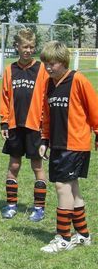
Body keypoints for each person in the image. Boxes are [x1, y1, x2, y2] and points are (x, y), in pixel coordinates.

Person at [38, 41, 98, 253]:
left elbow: (94, 109)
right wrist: (44, 140)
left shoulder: (78, 79)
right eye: (45, 63)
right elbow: (46, 115)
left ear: (63, 62)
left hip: (75, 143)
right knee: (72, 188)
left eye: (52, 64)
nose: (47, 67)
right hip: (58, 144)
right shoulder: (48, 84)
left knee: (62, 187)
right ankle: (83, 234)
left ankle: (63, 237)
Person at [0, 29, 49, 221]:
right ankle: (11, 204)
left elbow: (46, 98)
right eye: (24, 46)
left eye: (31, 47)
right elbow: (4, 97)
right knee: (13, 164)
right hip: (14, 125)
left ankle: (39, 208)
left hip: (36, 127)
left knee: (37, 166)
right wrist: (4, 122)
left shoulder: (42, 69)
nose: (28, 50)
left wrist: (46, 125)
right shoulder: (10, 70)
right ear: (17, 47)